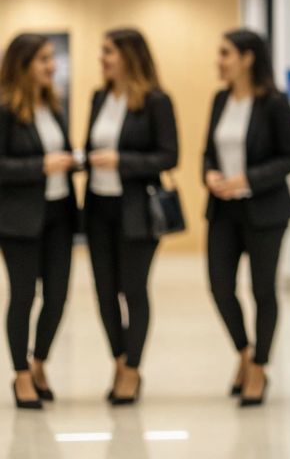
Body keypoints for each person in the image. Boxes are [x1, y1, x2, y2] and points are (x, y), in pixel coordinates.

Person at [203, 29, 290, 407]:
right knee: (220, 287)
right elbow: (207, 152)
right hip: (223, 211)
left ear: (247, 58)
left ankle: (259, 367)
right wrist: (209, 173)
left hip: (266, 212)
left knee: (262, 291)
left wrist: (248, 179)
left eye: (225, 54)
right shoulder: (219, 100)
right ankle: (244, 354)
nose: (219, 61)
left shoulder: (274, 103)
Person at [85, 28, 178, 406]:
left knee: (133, 289)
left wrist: (121, 160)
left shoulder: (156, 100)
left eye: (108, 51)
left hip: (137, 210)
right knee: (104, 292)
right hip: (97, 207)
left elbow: (169, 156)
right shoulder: (98, 97)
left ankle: (133, 369)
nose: (102, 58)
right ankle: (119, 361)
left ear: (129, 55)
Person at [0, 34, 79, 409]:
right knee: (23, 297)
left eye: (52, 59)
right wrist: (40, 166)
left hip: (59, 213)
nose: (52, 65)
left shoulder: (52, 105)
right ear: (23, 64)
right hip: (18, 219)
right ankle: (20, 375)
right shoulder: (4, 109)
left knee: (58, 297)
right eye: (44, 59)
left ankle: (39, 363)